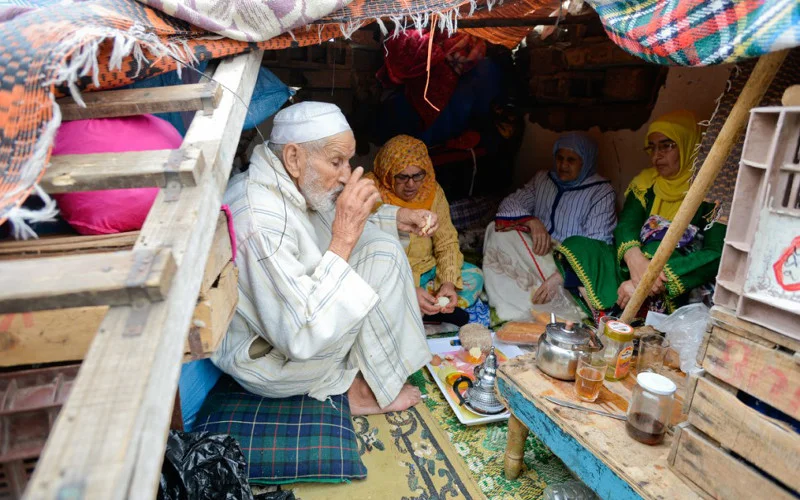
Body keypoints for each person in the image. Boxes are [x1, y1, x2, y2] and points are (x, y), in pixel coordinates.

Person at [213, 102, 436, 415]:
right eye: (336, 162)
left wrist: (398, 217)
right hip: (273, 363)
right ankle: (364, 390)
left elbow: (327, 218)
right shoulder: (261, 222)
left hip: (286, 335)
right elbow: (300, 335)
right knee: (382, 260)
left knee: (380, 246)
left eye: (348, 161)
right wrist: (344, 239)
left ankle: (373, 373)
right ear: (293, 157)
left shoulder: (287, 182)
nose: (346, 175)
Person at [554, 110, 726, 317]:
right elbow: (627, 225)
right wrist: (635, 260)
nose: (656, 156)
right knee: (578, 246)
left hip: (676, 275)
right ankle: (604, 315)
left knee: (657, 246)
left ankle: (627, 314)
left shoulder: (714, 193)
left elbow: (716, 253)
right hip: (635, 267)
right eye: (651, 148)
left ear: (690, 144)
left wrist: (651, 278)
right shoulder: (646, 183)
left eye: (666, 146)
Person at [482, 132, 617, 321]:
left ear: (586, 161)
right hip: (539, 251)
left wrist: (561, 275)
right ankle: (515, 304)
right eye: (559, 158)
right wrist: (532, 221)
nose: (563, 165)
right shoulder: (543, 180)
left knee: (574, 279)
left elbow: (596, 243)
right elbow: (509, 205)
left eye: (571, 160)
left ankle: (544, 304)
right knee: (495, 231)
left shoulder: (601, 192)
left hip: (570, 265)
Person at [368, 135, 484, 326]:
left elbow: (446, 240)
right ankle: (420, 308)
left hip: (425, 272)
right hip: (386, 275)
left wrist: (447, 283)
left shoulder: (432, 191)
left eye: (417, 175)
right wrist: (407, 288)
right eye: (402, 177)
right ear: (387, 172)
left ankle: (430, 308)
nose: (411, 184)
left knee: (474, 276)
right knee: (372, 296)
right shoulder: (368, 191)